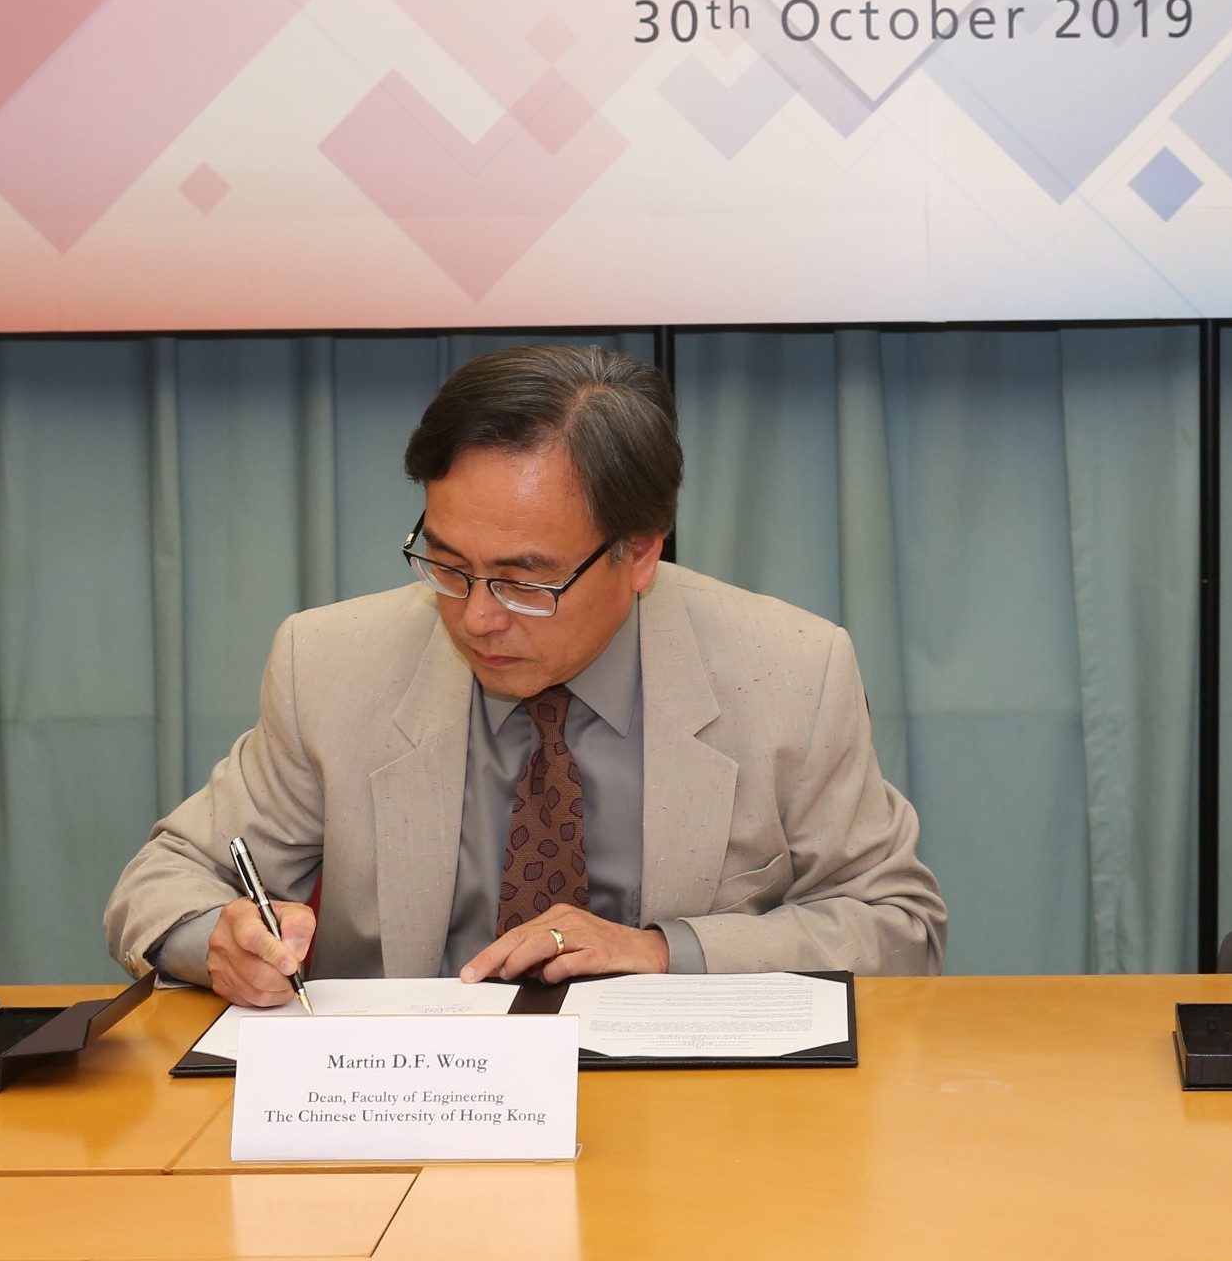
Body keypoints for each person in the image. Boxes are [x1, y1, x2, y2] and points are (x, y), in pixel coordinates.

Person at [106, 344, 946, 1002]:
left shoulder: (791, 669)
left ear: (640, 551)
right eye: (445, 563)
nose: (476, 616)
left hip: (687, 1111)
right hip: (409, 1105)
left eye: (523, 580)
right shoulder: (328, 661)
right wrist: (216, 935)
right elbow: (163, 880)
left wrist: (661, 951)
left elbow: (897, 926)